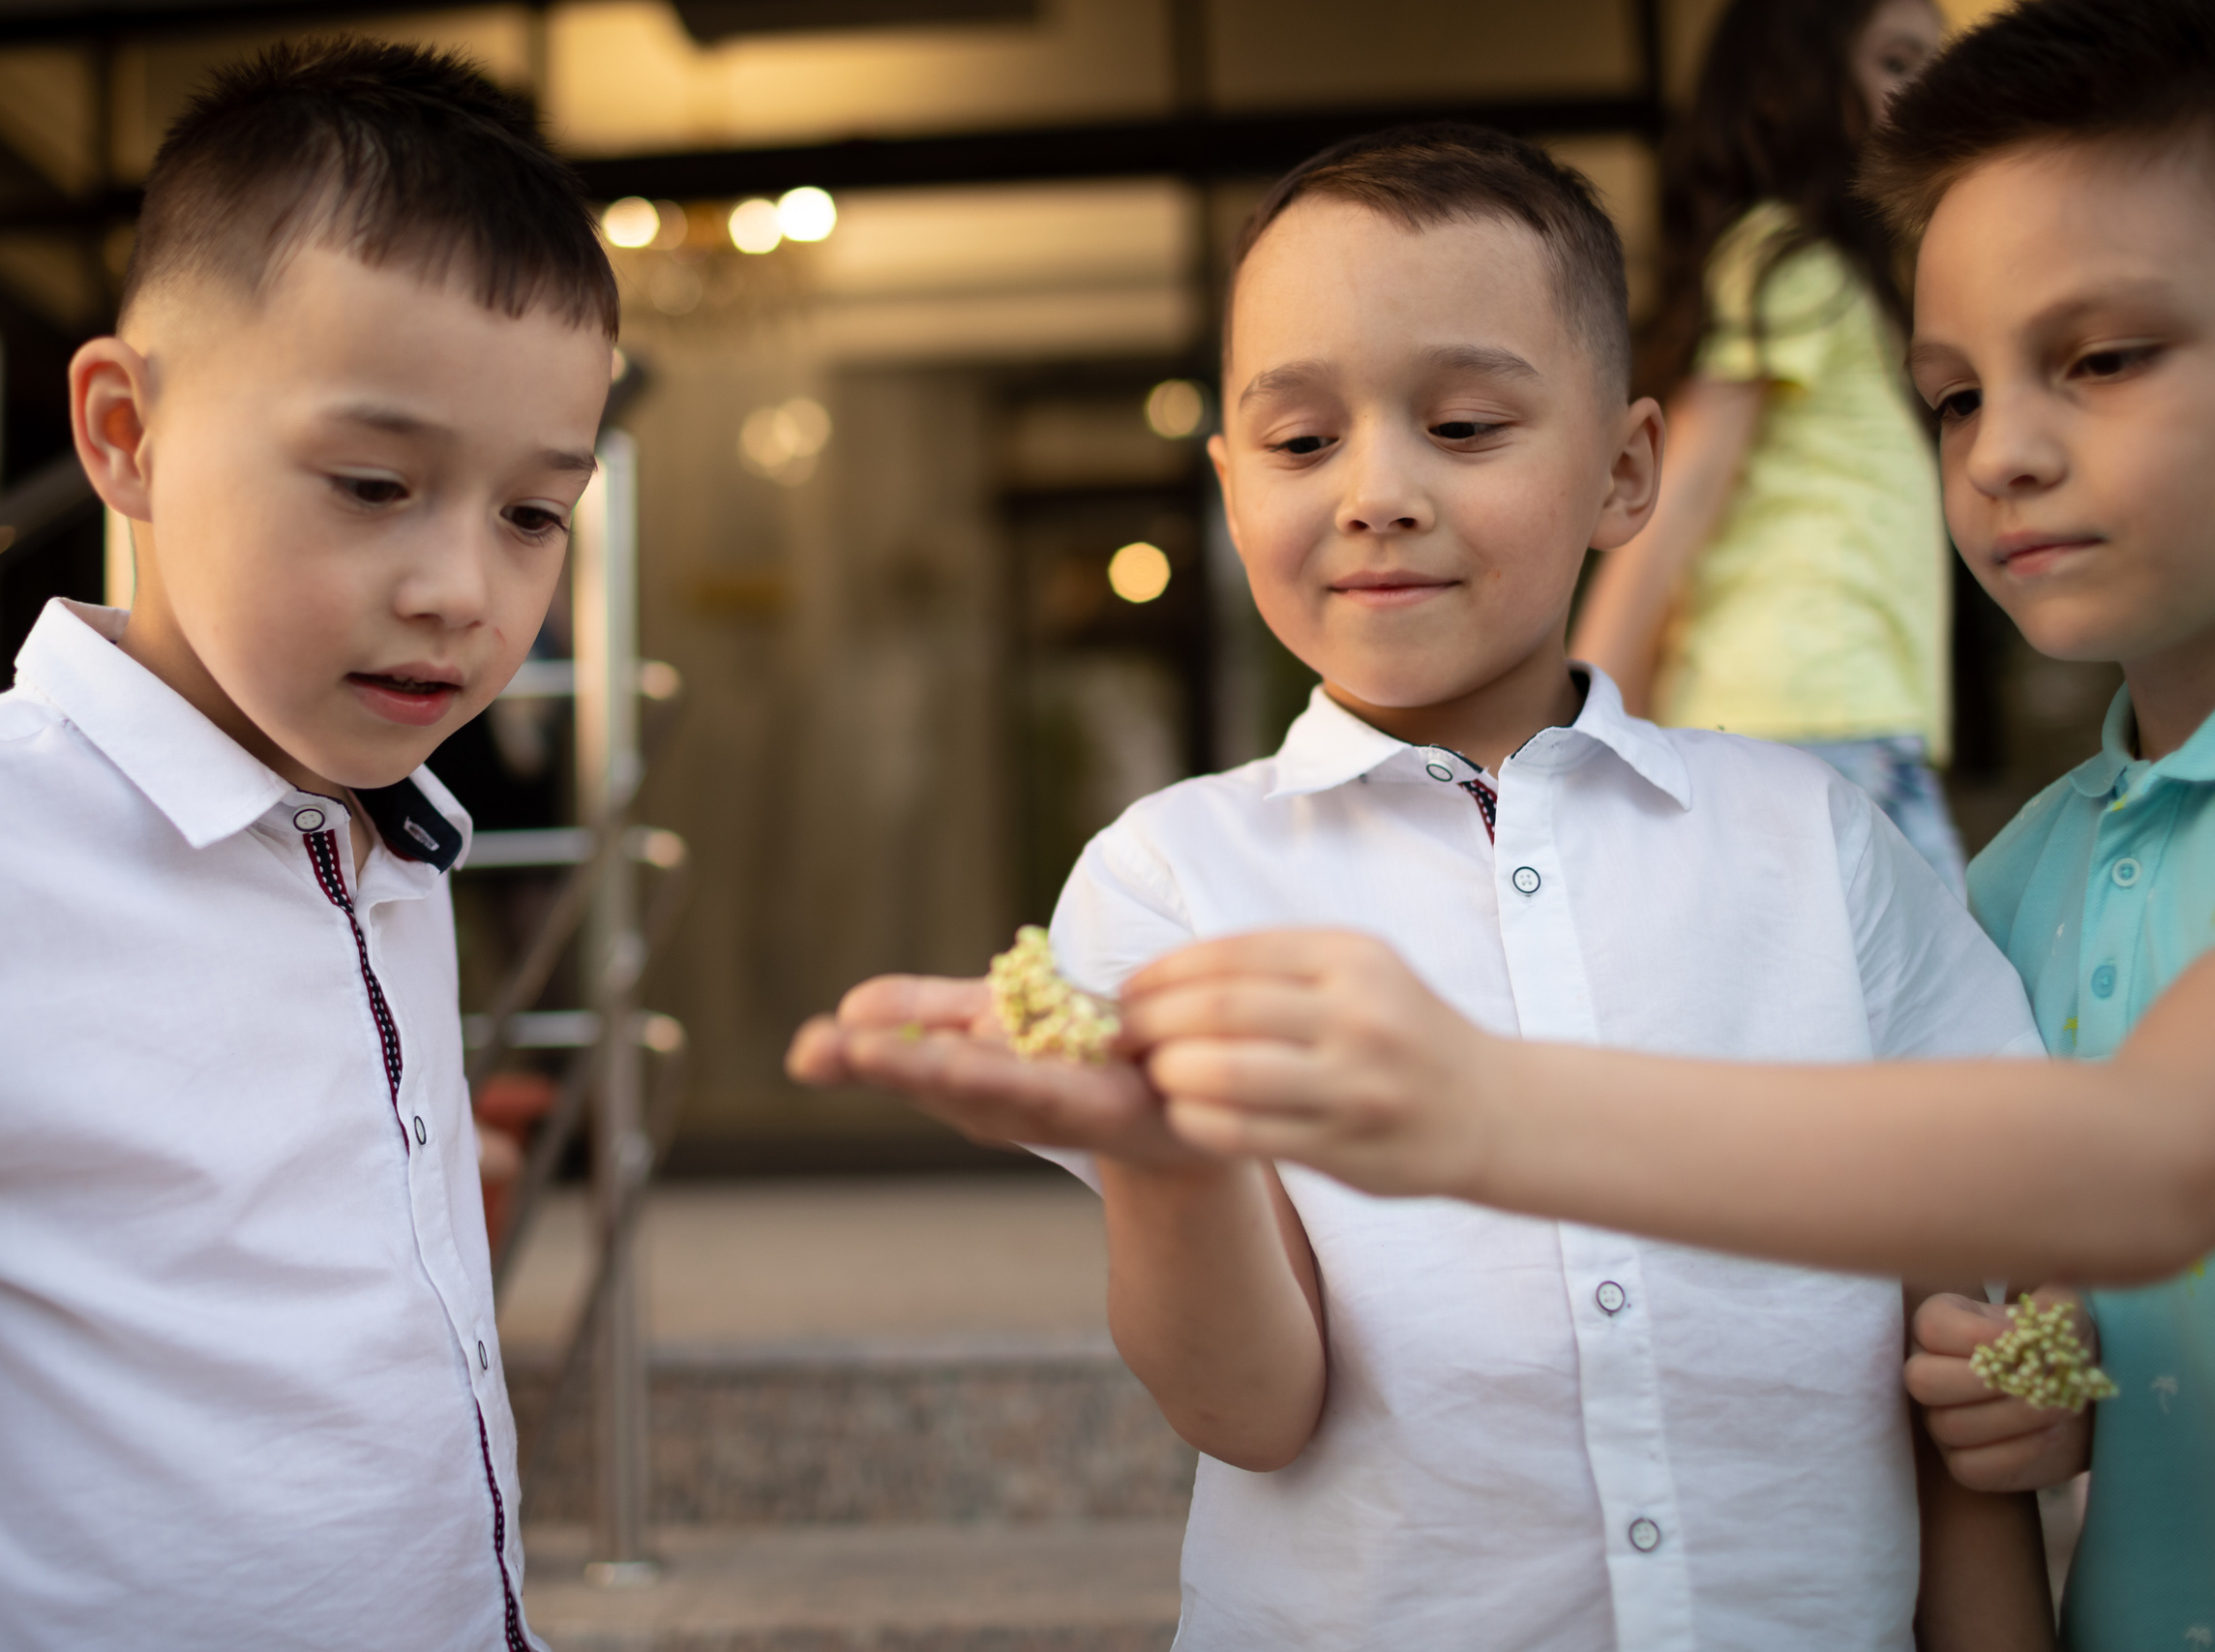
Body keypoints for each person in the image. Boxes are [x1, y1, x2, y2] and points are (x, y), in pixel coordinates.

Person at [790, 126, 2052, 1648]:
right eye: (1302, 441)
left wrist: (2025, 1395)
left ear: (1627, 469)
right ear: (1229, 483)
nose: (1376, 491)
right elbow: (1254, 1406)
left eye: (1462, 425)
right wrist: (1163, 1160)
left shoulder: (1816, 839)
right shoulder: (1173, 876)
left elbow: (1967, 1304)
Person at [1099, 4, 2215, 1643]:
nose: (2002, 453)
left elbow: (2118, 1179)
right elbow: (1999, 1318)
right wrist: (2037, 1377)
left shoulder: (1824, 848)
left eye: (2104, 355)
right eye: (1952, 398)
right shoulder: (2032, 872)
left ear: (1626, 469)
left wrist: (1470, 1103)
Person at [0, 40, 615, 1651]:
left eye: (533, 511)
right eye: (374, 481)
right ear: (125, 431)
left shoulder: (385, 845)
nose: (461, 589)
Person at [1571, 0, 1963, 888]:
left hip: (1840, 714)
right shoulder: (1785, 259)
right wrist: (1576, 731)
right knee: (1938, 1020)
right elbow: (1683, 496)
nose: (1929, 92)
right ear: (1794, 83)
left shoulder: (1845, 276)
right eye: (1898, 61)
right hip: (1807, 711)